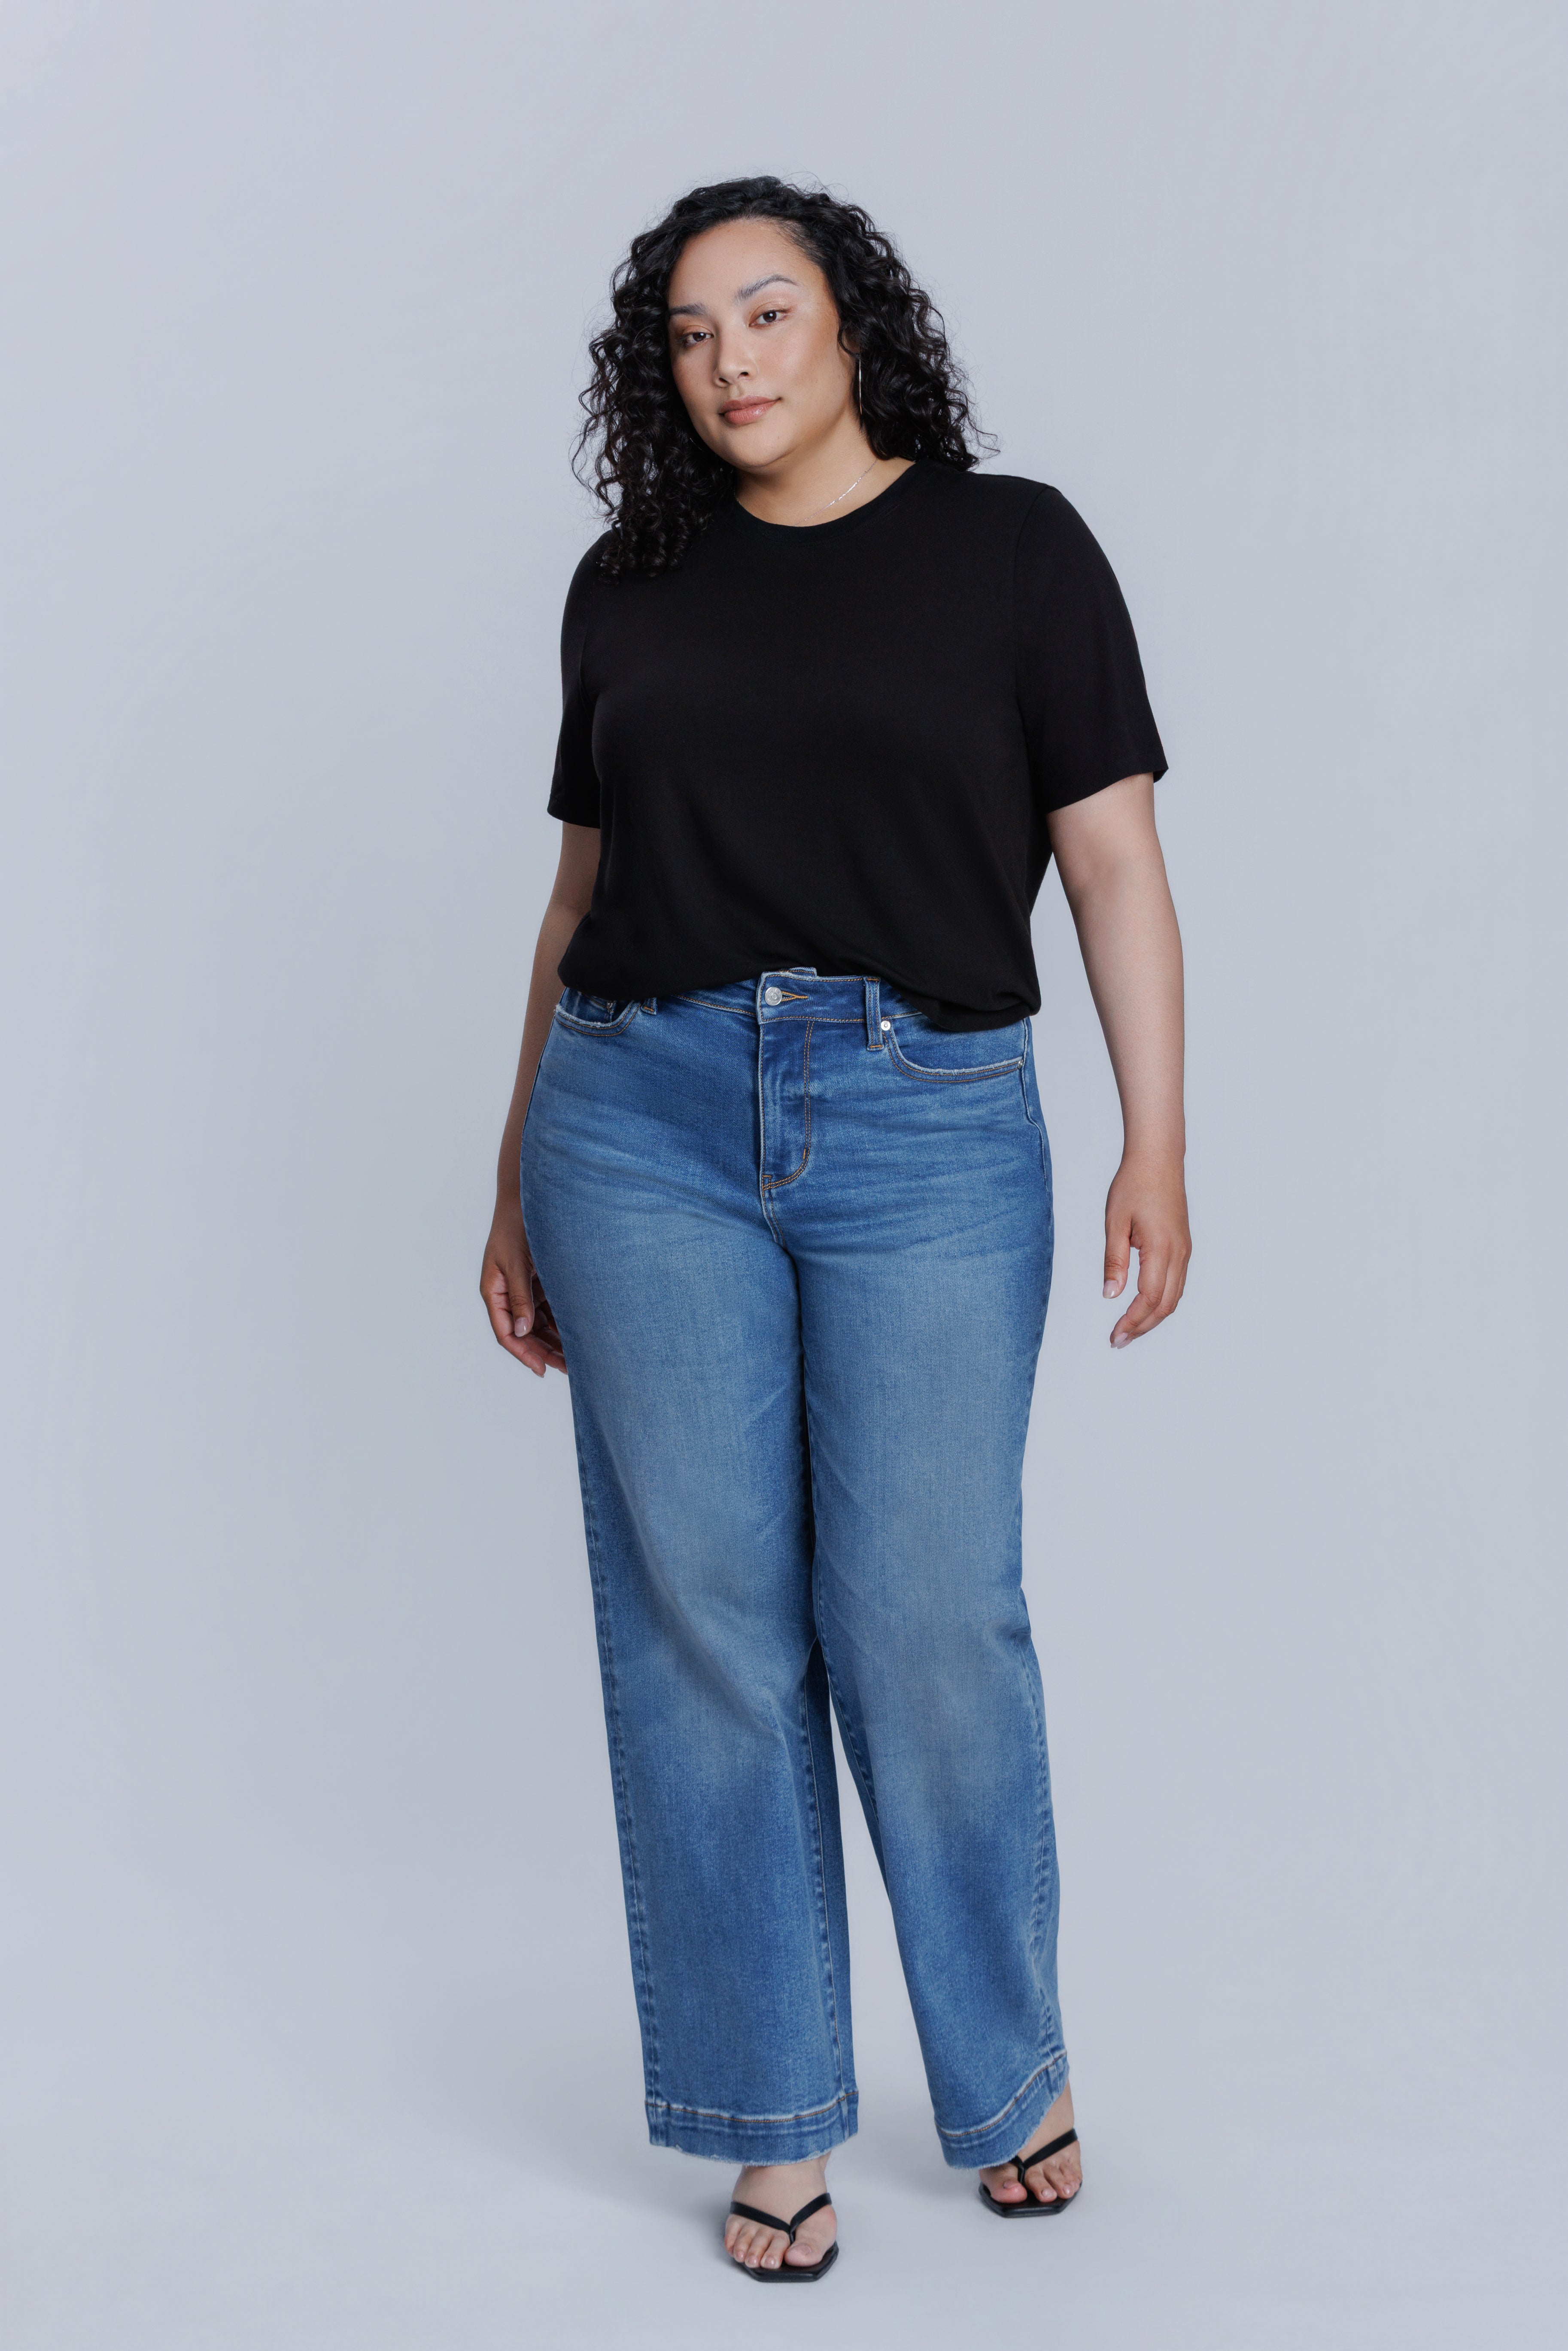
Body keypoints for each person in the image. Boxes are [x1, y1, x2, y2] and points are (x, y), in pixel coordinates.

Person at [480, 176, 1189, 2282]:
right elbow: (574, 908)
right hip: (641, 1120)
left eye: (768, 313)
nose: (735, 363)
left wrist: (1159, 1138)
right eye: (693, 337)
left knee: (924, 1618)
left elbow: (1120, 872)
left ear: (852, 323)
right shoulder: (631, 583)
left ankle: (1005, 2073)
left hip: (925, 1121)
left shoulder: (1015, 550)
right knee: (704, 1628)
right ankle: (770, 2116)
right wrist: (513, 1166)